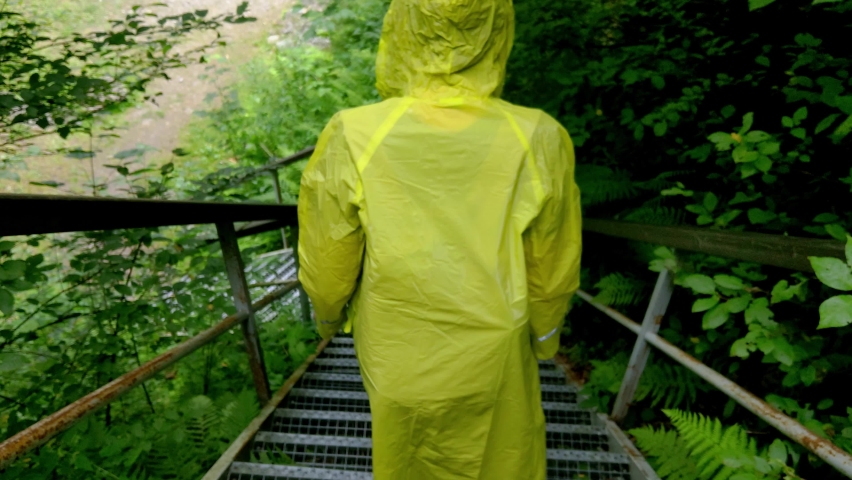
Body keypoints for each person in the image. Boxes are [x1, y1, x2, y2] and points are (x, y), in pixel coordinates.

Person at [297, 0, 581, 478]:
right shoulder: (538, 135)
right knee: (501, 463)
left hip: (397, 352)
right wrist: (545, 337)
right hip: (496, 358)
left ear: (401, 28)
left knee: (405, 462)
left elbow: (329, 259)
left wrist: (328, 319)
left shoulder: (354, 132)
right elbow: (552, 265)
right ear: (498, 32)